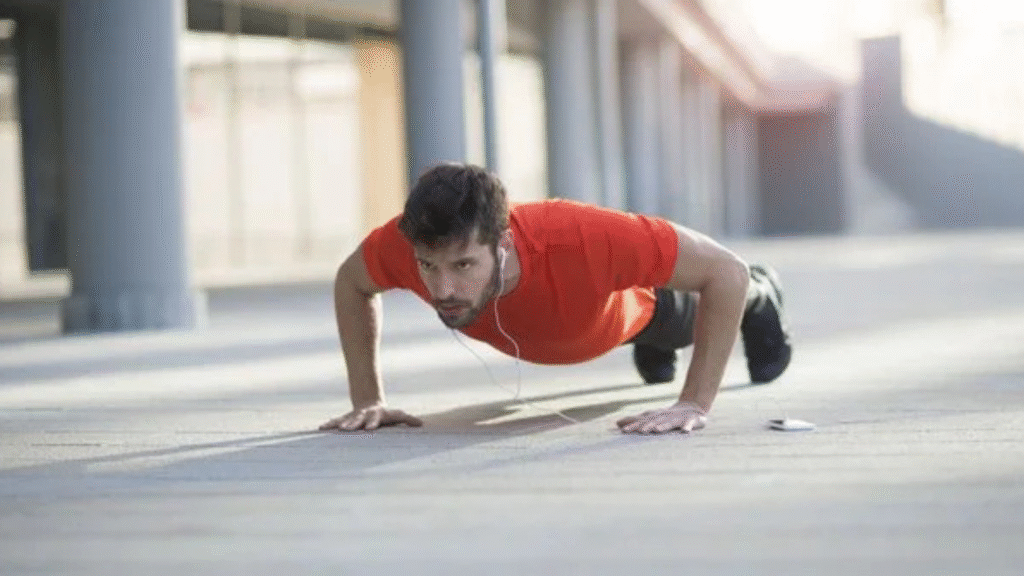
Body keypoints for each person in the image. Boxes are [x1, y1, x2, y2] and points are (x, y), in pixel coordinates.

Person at [319, 163, 791, 435]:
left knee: (702, 308)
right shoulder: (407, 245)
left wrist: (694, 404)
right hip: (574, 325)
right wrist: (368, 400)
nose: (441, 290)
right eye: (428, 267)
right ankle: (655, 350)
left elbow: (723, 272)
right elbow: (350, 282)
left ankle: (763, 293)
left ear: (501, 244)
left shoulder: (581, 235)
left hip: (640, 312)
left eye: (463, 266)